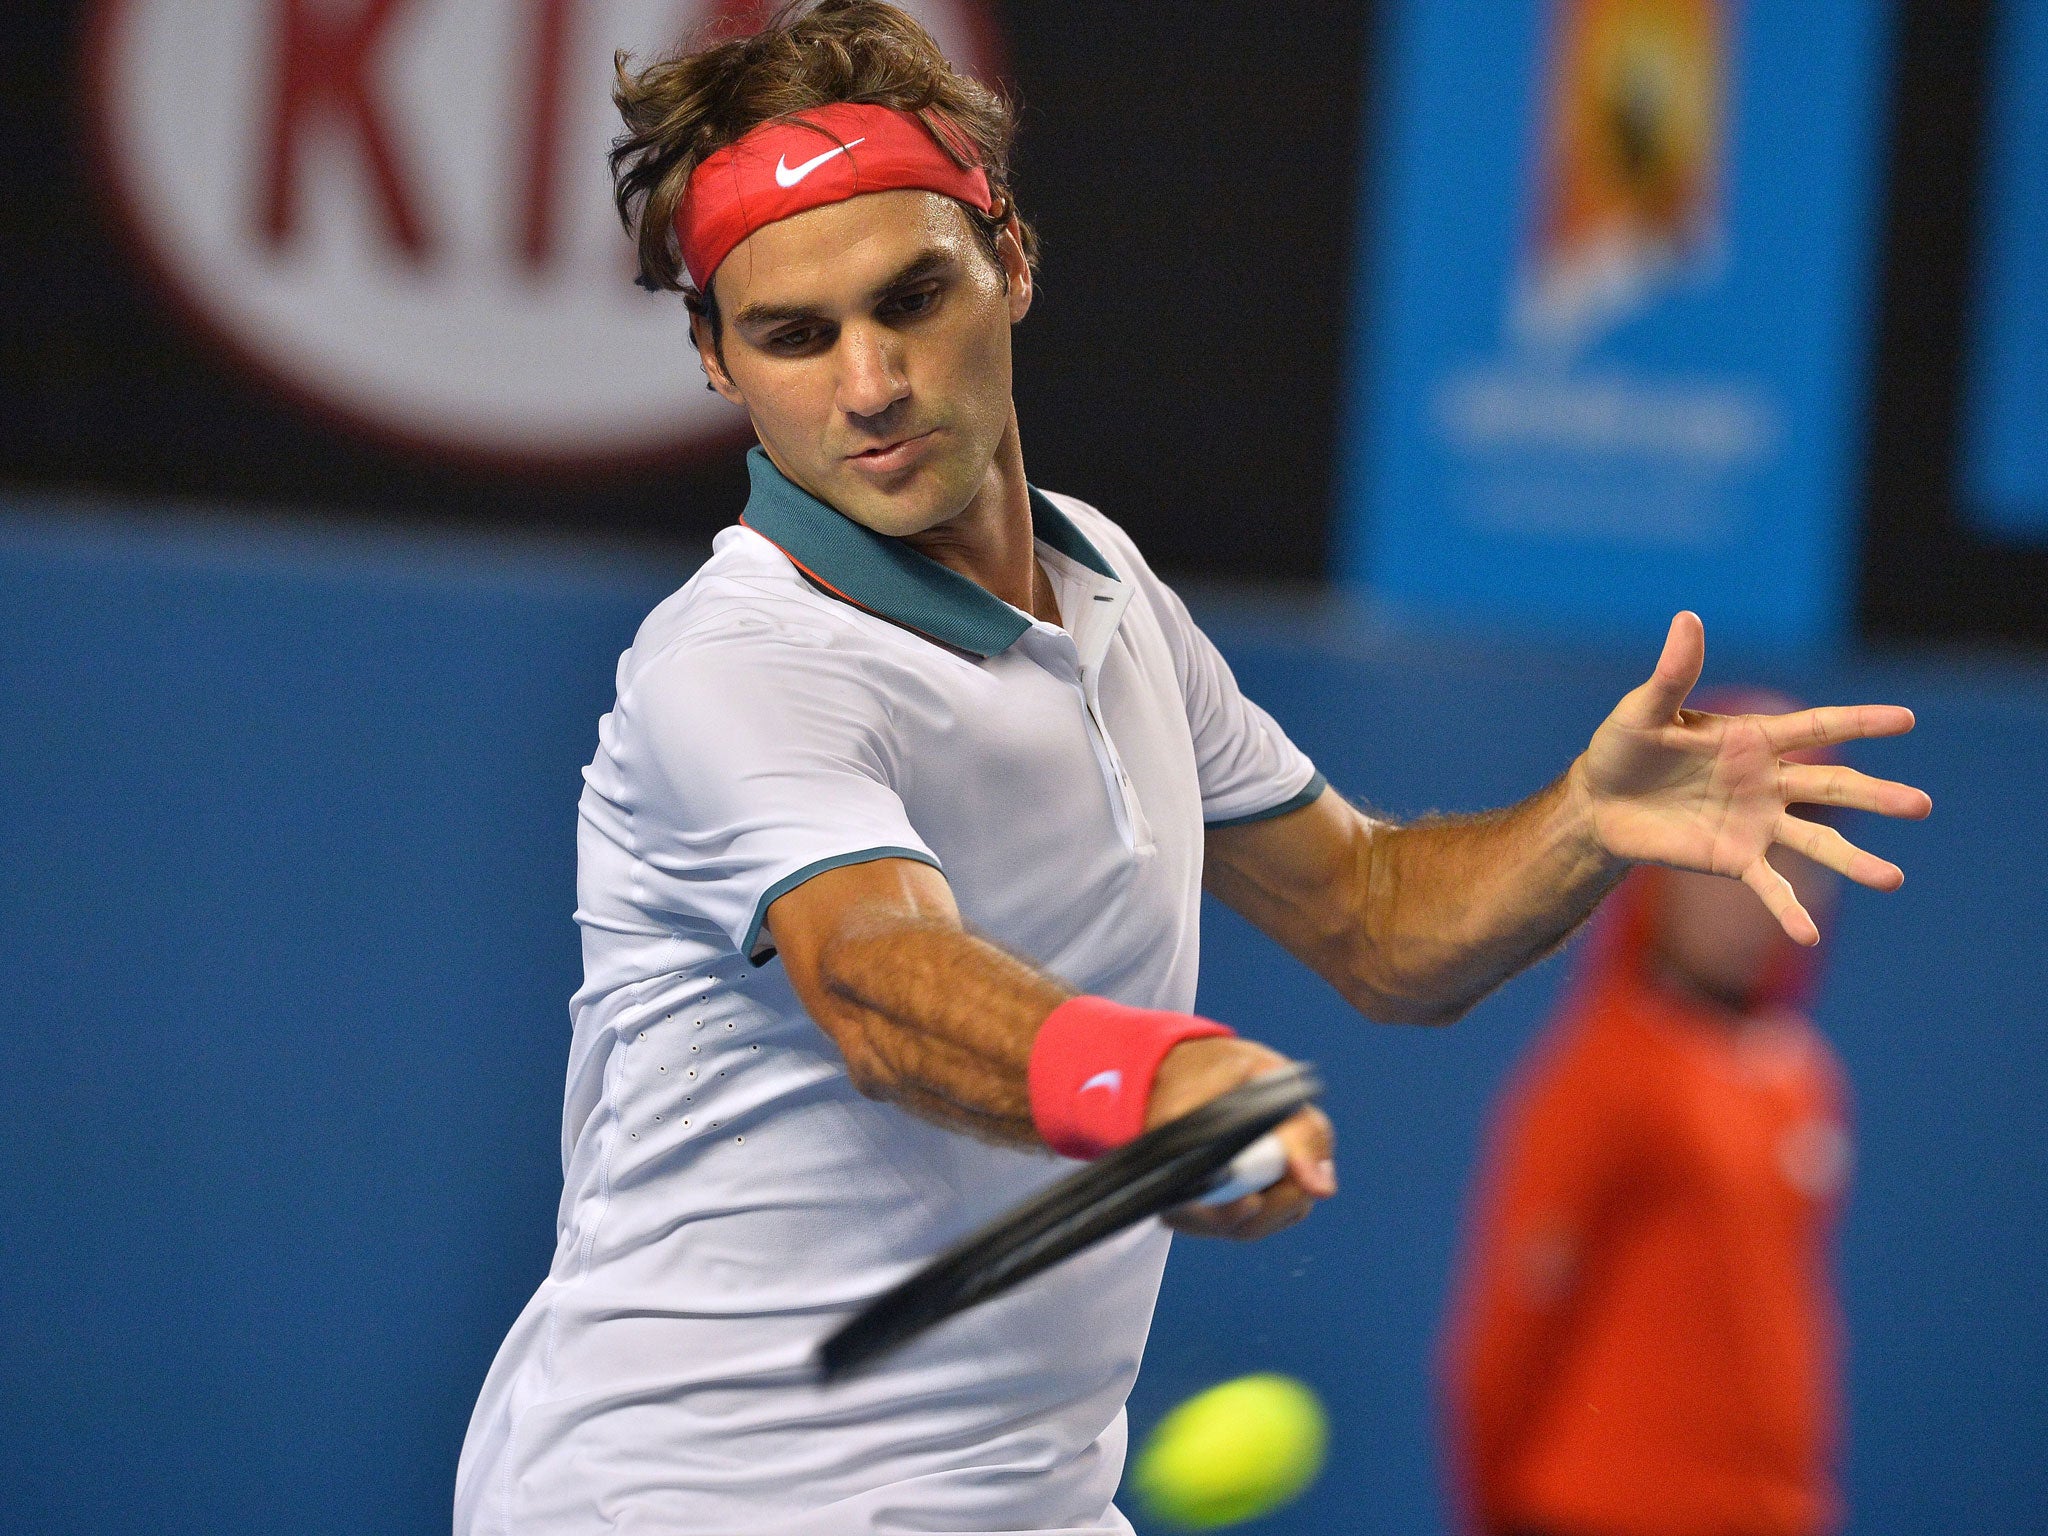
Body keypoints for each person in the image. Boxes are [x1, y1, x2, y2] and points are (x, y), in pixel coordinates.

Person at [454, 6, 1929, 1532]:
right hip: (684, 1500)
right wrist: (1152, 1079)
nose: (872, 381)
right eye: (794, 334)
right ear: (715, 359)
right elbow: (880, 974)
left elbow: (1374, 917)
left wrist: (1583, 822)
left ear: (1009, 260)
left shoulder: (1108, 591)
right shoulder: (737, 667)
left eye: (912, 297)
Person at [1441, 692, 1857, 1536]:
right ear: (1662, 869)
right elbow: (1506, 1334)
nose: (1763, 884)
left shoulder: (1806, 1079)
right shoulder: (1601, 1072)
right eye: (1730, 851)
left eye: (1789, 852)